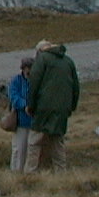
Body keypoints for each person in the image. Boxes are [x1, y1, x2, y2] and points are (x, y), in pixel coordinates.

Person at [25, 39, 81, 172]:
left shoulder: (42, 59)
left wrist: (30, 106)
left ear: (39, 51)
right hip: (62, 108)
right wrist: (71, 106)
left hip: (43, 108)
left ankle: (30, 173)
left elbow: (34, 84)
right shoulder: (68, 61)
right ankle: (61, 173)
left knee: (34, 142)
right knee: (58, 142)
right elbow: (76, 87)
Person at [6, 57, 34, 171]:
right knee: (19, 150)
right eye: (26, 68)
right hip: (21, 123)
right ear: (22, 69)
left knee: (32, 151)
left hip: (35, 123)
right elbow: (13, 97)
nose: (28, 71)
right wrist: (25, 105)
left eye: (30, 68)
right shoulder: (16, 81)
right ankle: (16, 173)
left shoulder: (37, 80)